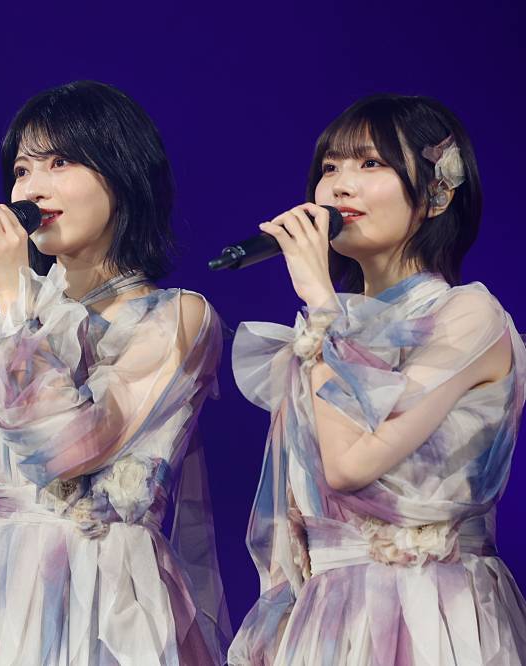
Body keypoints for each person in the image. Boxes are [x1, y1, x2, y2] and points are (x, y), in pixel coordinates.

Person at [0, 80, 230, 665]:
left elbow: (72, 447)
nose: (32, 188)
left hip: (107, 603)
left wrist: (15, 303)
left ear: (122, 173)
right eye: (21, 170)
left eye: (60, 162)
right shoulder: (3, 335)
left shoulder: (177, 317)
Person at [229, 94, 526, 665]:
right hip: (326, 618)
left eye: (370, 163)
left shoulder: (469, 315)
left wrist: (322, 308)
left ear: (437, 194)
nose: (340, 186)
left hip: (428, 610)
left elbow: (349, 466)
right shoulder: (326, 331)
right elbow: (291, 521)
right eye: (330, 167)